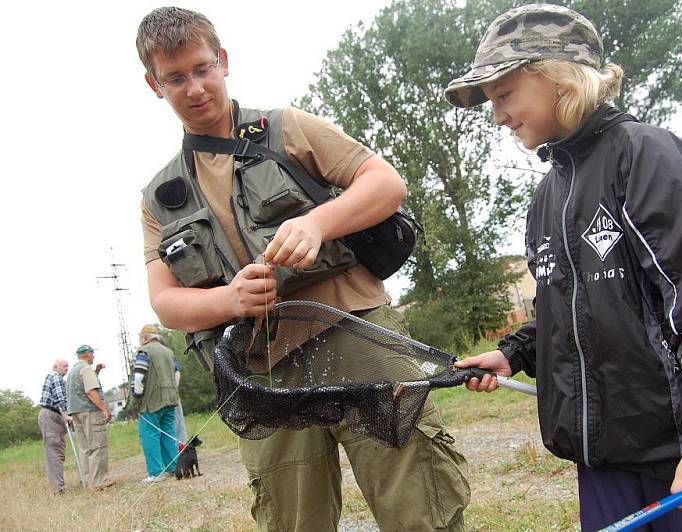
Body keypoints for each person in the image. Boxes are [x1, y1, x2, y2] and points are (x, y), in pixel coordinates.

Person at [135, 7, 469, 531]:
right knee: (293, 521)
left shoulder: (286, 128)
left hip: (358, 334)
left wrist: (318, 223)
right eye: (175, 77)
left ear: (223, 61)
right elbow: (165, 302)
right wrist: (230, 301)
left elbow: (385, 184)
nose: (194, 87)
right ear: (155, 85)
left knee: (417, 506)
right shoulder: (160, 197)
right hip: (264, 375)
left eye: (202, 68)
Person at [445, 4, 682, 531]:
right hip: (603, 463)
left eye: (504, 95)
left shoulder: (646, 155)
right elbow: (569, 306)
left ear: (557, 76)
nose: (497, 116)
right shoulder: (546, 196)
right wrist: (514, 353)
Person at [129, 324, 181, 483]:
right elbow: (177, 373)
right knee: (169, 433)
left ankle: (156, 472)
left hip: (151, 400)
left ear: (145, 338)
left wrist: (136, 398)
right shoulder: (168, 352)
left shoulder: (144, 352)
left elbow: (138, 377)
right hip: (171, 398)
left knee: (150, 435)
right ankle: (174, 467)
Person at [66, 345, 115, 491]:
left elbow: (81, 387)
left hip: (76, 412)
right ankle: (99, 481)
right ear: (88, 354)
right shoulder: (86, 369)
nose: (93, 356)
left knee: (84, 448)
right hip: (90, 412)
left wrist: (97, 371)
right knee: (97, 446)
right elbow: (90, 392)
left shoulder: (73, 371)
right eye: (92, 354)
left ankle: (88, 481)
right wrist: (104, 408)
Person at [38, 358, 70, 493]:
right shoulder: (55, 376)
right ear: (56, 366)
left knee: (58, 450)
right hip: (51, 415)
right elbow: (60, 398)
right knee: (54, 452)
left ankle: (59, 486)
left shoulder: (60, 378)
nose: (66, 368)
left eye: (67, 366)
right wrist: (67, 415)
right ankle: (59, 489)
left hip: (54, 415)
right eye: (64, 366)